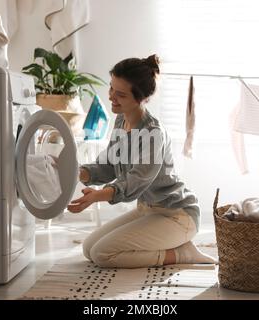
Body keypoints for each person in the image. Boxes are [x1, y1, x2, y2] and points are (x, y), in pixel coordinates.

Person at [67, 54, 217, 268]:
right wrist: (76, 172)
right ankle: (174, 248)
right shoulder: (121, 120)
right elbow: (110, 165)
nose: (111, 97)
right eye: (111, 89)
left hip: (177, 215)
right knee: (89, 248)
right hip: (148, 210)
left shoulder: (153, 134)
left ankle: (182, 253)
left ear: (141, 98)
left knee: (103, 254)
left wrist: (98, 195)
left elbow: (136, 182)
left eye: (120, 94)